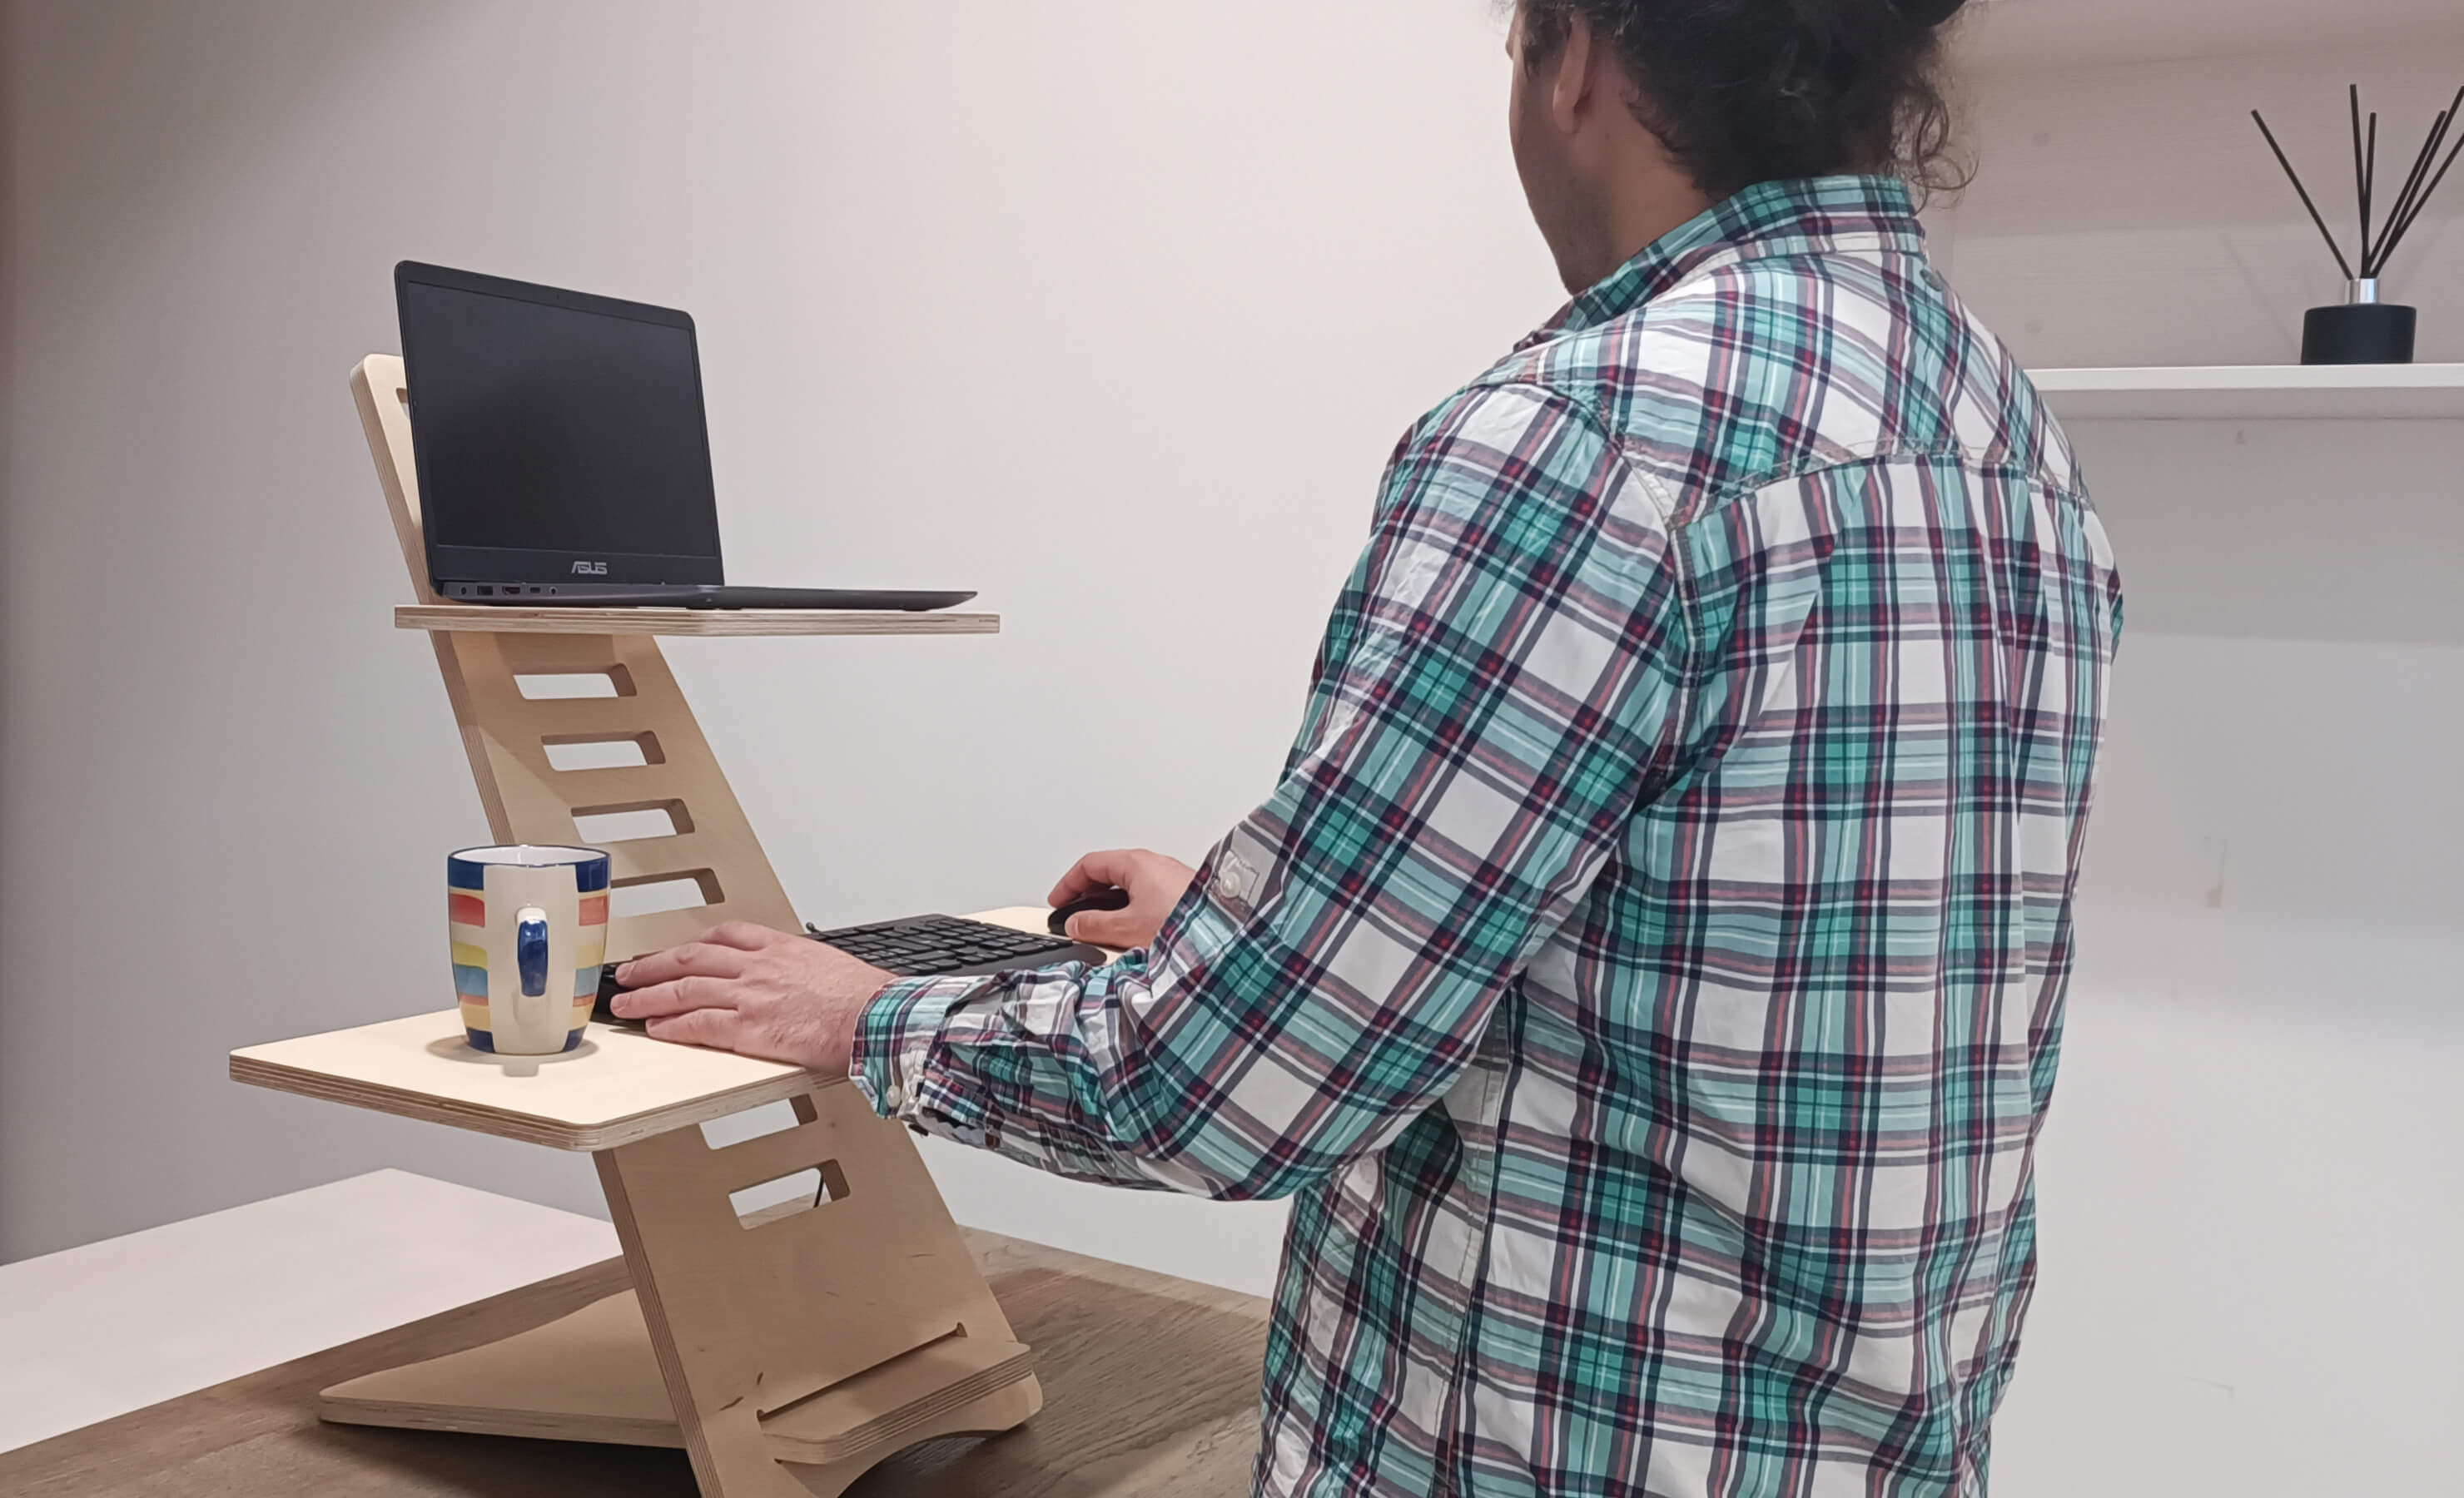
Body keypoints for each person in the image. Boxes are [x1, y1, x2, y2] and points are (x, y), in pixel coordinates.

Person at [610, 0, 2123, 1491]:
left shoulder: (1594, 437)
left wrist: (870, 1019)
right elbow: (1742, 948)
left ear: (1575, 58)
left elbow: (1235, 1084)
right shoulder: (2003, 434)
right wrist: (1262, 922)